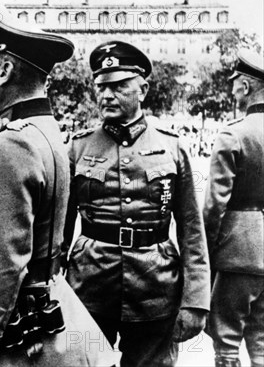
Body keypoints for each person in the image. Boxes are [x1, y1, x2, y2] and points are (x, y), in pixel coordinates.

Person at [0, 0, 119, 367]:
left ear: (4, 70)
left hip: (8, 337)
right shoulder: (44, 132)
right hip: (42, 308)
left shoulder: (12, 144)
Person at [64, 40, 210, 367]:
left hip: (155, 287)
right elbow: (59, 230)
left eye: (119, 86)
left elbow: (191, 230)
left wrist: (195, 301)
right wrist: (48, 285)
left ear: (142, 89)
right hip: (89, 285)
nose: (106, 95)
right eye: (101, 87)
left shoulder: (172, 147)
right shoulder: (78, 147)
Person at [203, 49, 264, 367]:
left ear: (245, 85)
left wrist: (206, 255)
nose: (231, 90)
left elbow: (214, 206)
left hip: (238, 254)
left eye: (234, 84)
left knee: (226, 342)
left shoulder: (234, 134)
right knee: (262, 343)